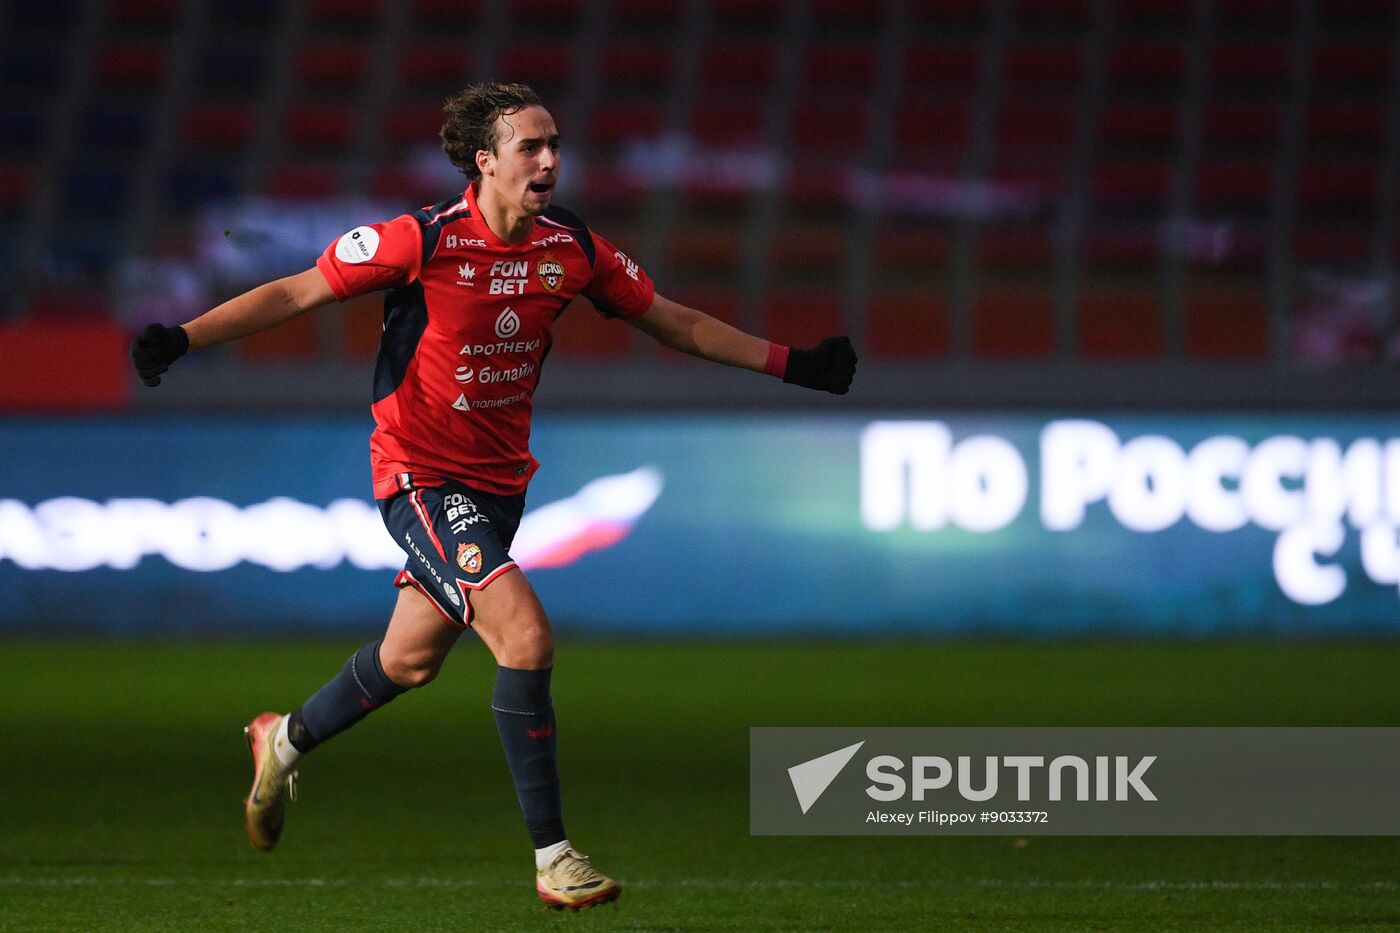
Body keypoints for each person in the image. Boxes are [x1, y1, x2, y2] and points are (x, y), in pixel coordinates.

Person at [130, 82, 857, 911]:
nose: (549, 160)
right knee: (525, 634)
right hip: (419, 476)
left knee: (407, 659)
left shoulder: (570, 247)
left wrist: (793, 364)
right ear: (485, 161)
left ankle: (283, 741)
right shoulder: (420, 239)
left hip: (500, 485)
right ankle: (554, 855)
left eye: (554, 145)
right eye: (529, 147)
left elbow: (673, 321)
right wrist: (184, 336)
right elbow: (296, 290)